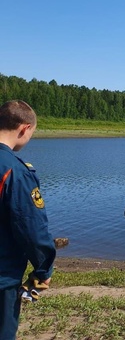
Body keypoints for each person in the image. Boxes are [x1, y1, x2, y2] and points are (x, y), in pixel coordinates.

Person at [0, 100, 56, 340]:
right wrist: (44, 269)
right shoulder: (15, 171)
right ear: (24, 129)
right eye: (31, 133)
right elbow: (31, 228)